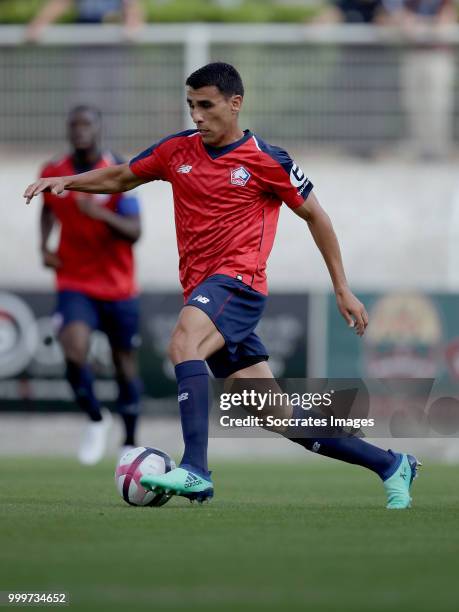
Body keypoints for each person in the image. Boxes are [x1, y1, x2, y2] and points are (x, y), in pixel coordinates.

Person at [24, 63, 419, 508]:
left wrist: (342, 287)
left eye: (206, 106)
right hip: (204, 290)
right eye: (191, 105)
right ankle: (391, 464)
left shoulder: (267, 159)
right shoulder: (177, 151)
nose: (197, 115)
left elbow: (317, 217)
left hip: (238, 284)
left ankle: (195, 469)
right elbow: (121, 176)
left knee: (182, 344)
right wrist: (67, 182)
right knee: (277, 415)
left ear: (235, 104)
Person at [38, 105, 142, 465]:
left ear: (99, 129)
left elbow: (135, 232)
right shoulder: (54, 171)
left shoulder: (120, 170)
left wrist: (98, 212)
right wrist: (44, 245)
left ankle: (129, 441)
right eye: (74, 125)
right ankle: (97, 418)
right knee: (73, 349)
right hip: (74, 281)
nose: (80, 131)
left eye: (87, 124)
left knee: (123, 361)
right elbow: (48, 208)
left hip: (118, 285)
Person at [380, 0, 456, 159]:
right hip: (414, 55)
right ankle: (421, 148)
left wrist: (419, 25)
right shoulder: (409, 3)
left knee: (437, 104)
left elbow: (443, 25)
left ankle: (438, 149)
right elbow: (400, 23)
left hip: (438, 56)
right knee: (413, 103)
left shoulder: (443, 2)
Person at [25, 0, 144, 42]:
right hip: (85, 44)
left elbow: (132, 9)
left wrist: (131, 23)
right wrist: (38, 24)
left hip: (113, 47)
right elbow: (60, 3)